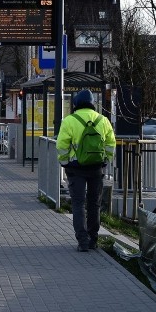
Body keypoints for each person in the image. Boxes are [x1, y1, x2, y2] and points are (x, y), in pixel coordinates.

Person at [56, 89, 116, 252]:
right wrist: (105, 161)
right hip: (96, 168)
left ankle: (82, 241)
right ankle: (93, 240)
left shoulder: (69, 120)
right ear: (92, 103)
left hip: (76, 169)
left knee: (78, 203)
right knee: (94, 204)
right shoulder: (103, 120)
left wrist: (65, 163)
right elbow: (111, 144)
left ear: (76, 104)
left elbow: (61, 145)